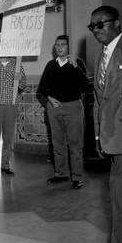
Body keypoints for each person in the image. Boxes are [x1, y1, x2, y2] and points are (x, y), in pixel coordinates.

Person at [88, 6, 122, 243]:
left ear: (116, 23)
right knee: (119, 199)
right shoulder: (100, 55)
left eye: (101, 24)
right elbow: (99, 100)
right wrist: (99, 137)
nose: (96, 30)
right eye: (93, 27)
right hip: (113, 139)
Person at [38, 35, 88, 189]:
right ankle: (61, 174)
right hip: (55, 108)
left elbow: (85, 85)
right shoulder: (50, 65)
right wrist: (49, 99)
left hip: (73, 107)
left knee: (75, 144)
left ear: (68, 47)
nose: (59, 48)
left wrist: (75, 67)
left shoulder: (77, 63)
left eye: (63, 45)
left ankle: (77, 177)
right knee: (58, 143)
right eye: (57, 45)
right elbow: (42, 89)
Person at [0, 40, 27, 176]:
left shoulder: (17, 65)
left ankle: (5, 165)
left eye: (1, 47)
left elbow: (23, 85)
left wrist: (20, 78)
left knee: (8, 137)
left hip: (11, 104)